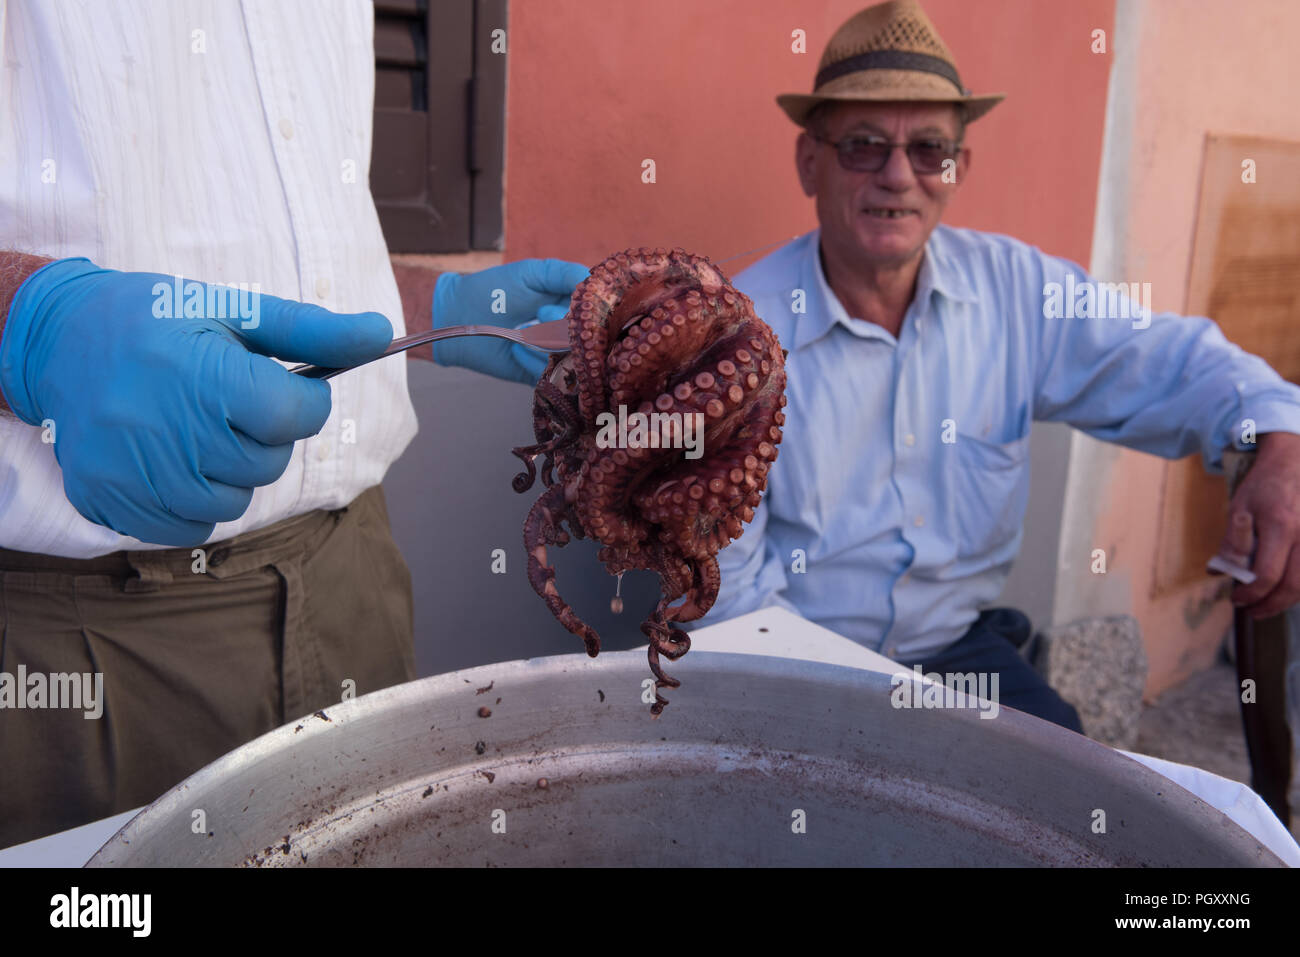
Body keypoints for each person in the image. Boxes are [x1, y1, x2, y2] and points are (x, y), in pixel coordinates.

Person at [0, 0, 582, 848]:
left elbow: (277, 249)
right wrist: (31, 329)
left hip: (357, 586)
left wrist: (439, 306)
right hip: (83, 656)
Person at [690, 0, 1300, 732]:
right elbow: (727, 599)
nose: (897, 175)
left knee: (1075, 799)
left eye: (929, 150)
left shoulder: (1021, 293)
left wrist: (1279, 440)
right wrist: (862, 720)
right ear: (808, 161)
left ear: (959, 167)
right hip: (793, 663)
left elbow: (1173, 363)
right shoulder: (734, 336)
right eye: (862, 144)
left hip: (955, 656)